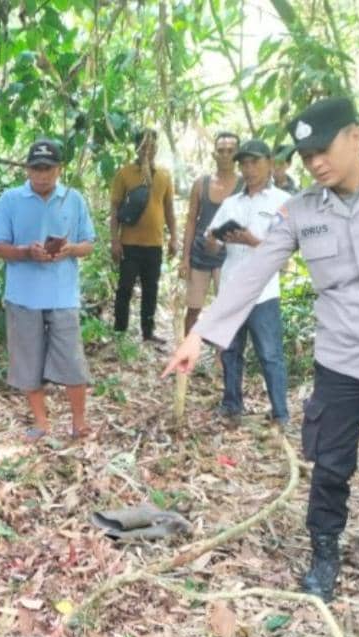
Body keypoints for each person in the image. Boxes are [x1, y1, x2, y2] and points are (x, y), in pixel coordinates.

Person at [164, 97, 359, 602]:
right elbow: (252, 274)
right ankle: (324, 550)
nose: (315, 163)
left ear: (355, 136)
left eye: (322, 150)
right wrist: (202, 334)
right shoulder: (300, 211)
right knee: (330, 461)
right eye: (306, 156)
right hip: (342, 358)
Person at [0, 138, 96, 440]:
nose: (42, 175)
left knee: (72, 360)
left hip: (63, 294)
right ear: (27, 169)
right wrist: (27, 252)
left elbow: (89, 243)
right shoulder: (10, 200)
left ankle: (79, 423)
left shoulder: (73, 199)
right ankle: (41, 422)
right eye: (36, 168)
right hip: (23, 295)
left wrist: (72, 249)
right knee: (27, 361)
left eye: (48, 168)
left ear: (59, 169)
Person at [205, 139, 290, 428]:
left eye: (255, 162)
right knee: (230, 351)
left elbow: (284, 248)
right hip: (231, 287)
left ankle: (280, 412)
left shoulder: (281, 201)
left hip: (263, 291)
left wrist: (250, 240)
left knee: (269, 354)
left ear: (269, 162)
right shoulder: (231, 203)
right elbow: (211, 246)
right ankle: (231, 405)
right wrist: (216, 238)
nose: (249, 169)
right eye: (245, 163)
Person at [110, 129, 177, 344]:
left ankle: (148, 333)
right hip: (129, 244)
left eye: (152, 146)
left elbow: (169, 210)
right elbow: (115, 209)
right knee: (125, 288)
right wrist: (115, 240)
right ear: (136, 148)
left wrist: (174, 237)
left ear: (157, 148)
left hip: (154, 244)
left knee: (151, 289)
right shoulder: (125, 174)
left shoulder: (164, 176)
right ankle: (120, 331)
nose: (148, 150)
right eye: (143, 146)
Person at [180, 132, 243, 334]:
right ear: (214, 154)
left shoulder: (244, 186)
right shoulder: (201, 183)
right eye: (221, 151)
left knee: (226, 310)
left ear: (238, 154)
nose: (225, 155)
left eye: (230, 151)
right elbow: (191, 221)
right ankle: (185, 354)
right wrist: (185, 258)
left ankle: (222, 358)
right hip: (200, 254)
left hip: (230, 256)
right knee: (193, 309)